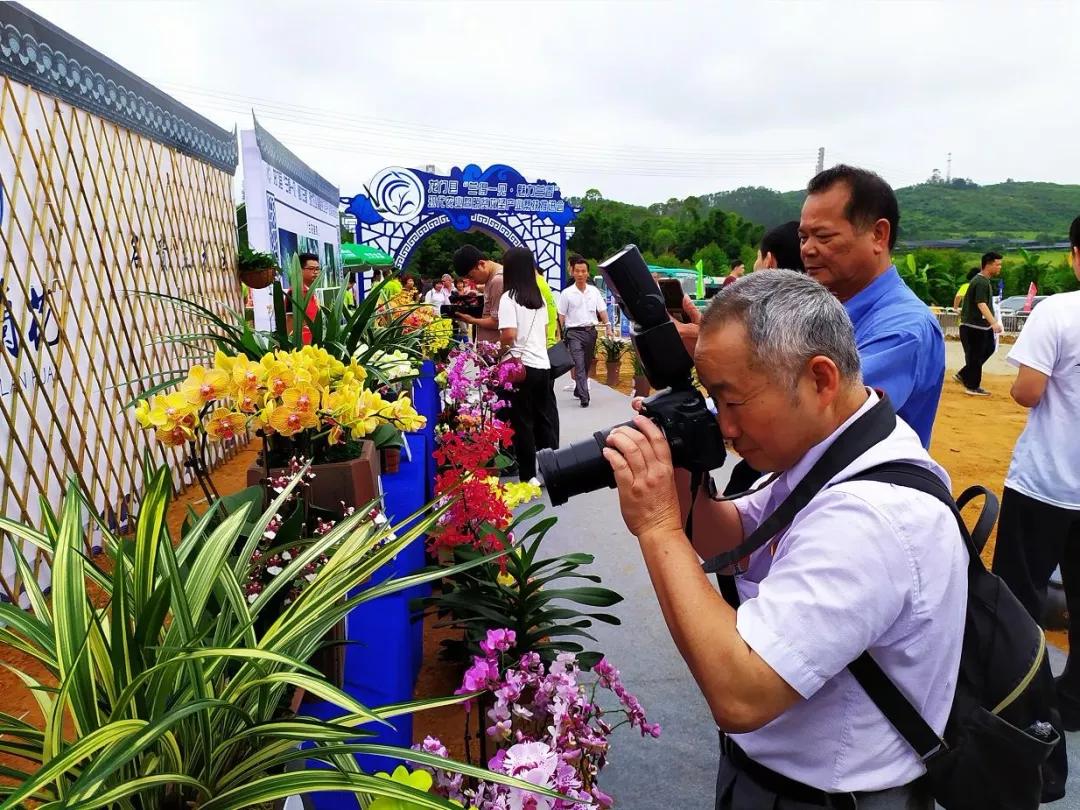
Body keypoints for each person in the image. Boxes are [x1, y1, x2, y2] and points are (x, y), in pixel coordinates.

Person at [603, 270, 966, 809]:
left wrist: (658, 526)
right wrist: (678, 468)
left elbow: (741, 693)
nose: (724, 427)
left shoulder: (871, 516)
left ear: (819, 379)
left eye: (733, 401)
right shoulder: (839, 445)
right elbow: (736, 537)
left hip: (828, 798)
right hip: (781, 781)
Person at [992, 216, 1080, 726]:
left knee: (1018, 596)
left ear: (1074, 254)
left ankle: (1016, 702)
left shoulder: (1058, 311)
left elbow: (1029, 390)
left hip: (1046, 484)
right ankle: (1073, 705)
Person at [800, 165, 945, 448]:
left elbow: (817, 412)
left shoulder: (903, 330)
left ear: (878, 235)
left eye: (824, 236)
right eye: (803, 237)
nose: (808, 249)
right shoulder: (827, 312)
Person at [499, 247, 557, 485]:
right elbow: (544, 332)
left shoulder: (508, 298)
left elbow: (509, 334)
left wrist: (499, 349)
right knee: (543, 419)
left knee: (522, 422)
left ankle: (528, 476)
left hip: (520, 369)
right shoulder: (538, 298)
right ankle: (551, 472)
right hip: (542, 364)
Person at [557, 254, 610, 408]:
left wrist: (608, 325)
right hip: (574, 333)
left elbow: (602, 309)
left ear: (587, 273)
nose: (580, 274)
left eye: (583, 271)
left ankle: (578, 389)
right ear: (573, 272)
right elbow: (561, 315)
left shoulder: (594, 291)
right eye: (577, 271)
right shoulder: (566, 293)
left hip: (591, 332)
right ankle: (584, 396)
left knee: (586, 363)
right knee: (579, 363)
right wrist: (560, 334)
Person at [956, 252, 1004, 396]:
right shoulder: (981, 281)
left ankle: (965, 374)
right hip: (973, 326)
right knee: (975, 356)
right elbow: (981, 304)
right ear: (988, 264)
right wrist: (994, 323)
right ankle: (972, 385)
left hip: (981, 326)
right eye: (997, 264)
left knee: (988, 348)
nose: (999, 267)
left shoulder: (983, 281)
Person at [452, 245, 505, 345]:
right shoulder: (493, 279)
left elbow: (497, 322)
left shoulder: (498, 281)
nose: (473, 281)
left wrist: (472, 320)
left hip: (497, 350)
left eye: (471, 277)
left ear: (481, 264)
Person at [536, 268, 562, 447]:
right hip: (549, 347)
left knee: (544, 405)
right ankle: (552, 446)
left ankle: (549, 448)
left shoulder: (536, 286)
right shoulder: (544, 284)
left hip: (543, 350)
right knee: (548, 402)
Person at [298, 252, 320, 345]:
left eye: (317, 269)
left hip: (313, 344)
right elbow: (290, 322)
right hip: (301, 349)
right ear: (300, 270)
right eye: (311, 269)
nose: (315, 272)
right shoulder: (295, 293)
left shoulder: (311, 292)